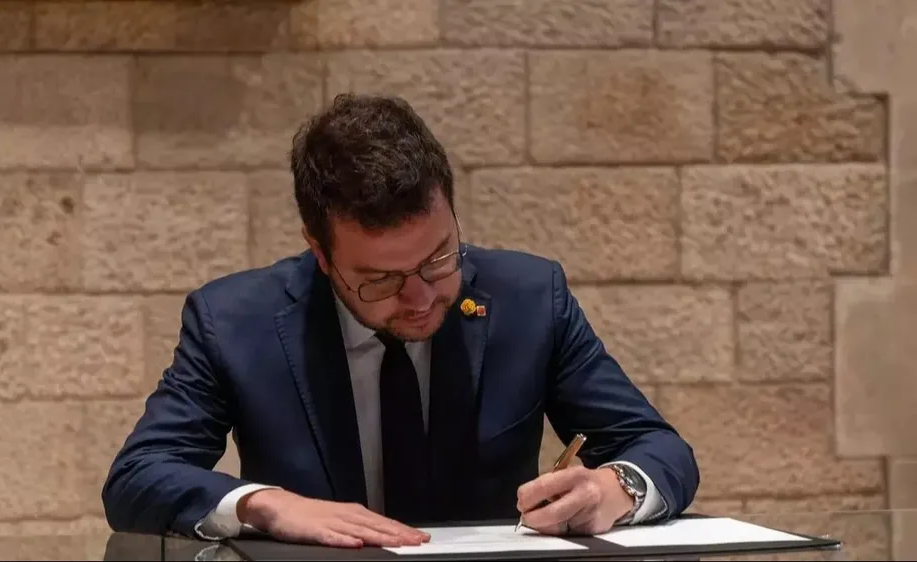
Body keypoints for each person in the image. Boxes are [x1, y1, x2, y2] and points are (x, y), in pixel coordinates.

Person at [102, 93, 699, 548]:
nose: (418, 296)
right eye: (380, 279)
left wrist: (613, 488)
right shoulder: (235, 320)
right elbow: (139, 476)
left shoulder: (530, 298)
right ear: (320, 252)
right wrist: (264, 503)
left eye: (439, 258)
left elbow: (659, 448)